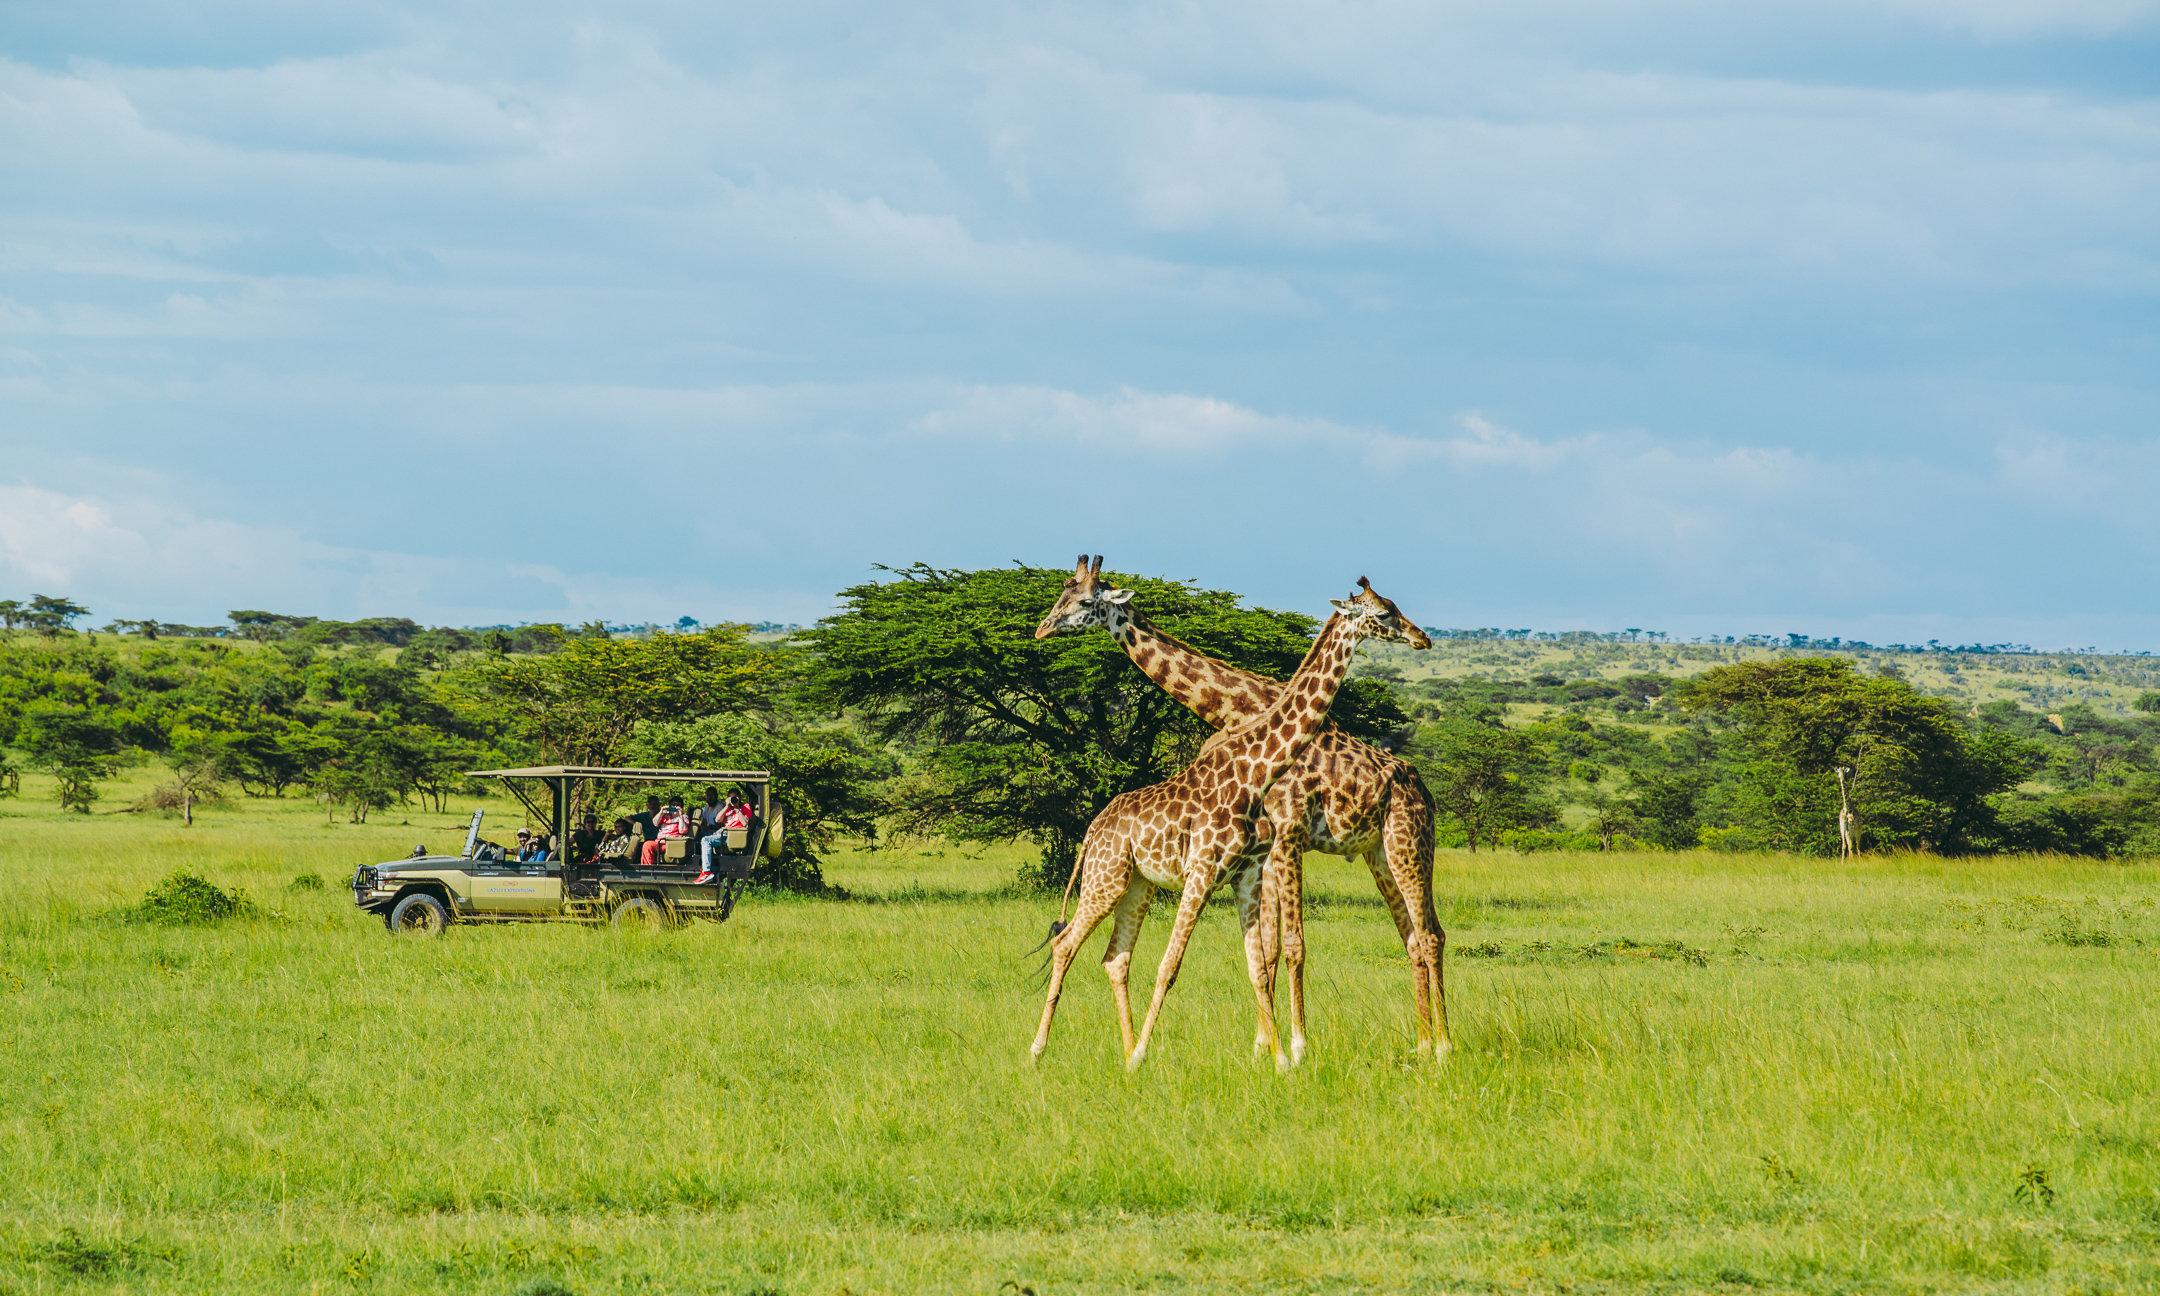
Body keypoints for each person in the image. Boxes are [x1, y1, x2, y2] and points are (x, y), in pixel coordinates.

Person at [695, 790, 756, 883]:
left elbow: (745, 824)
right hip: (722, 832)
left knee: (705, 840)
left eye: (735, 797)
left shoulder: (745, 807)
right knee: (699, 834)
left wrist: (737, 809)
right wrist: (727, 806)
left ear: (740, 798)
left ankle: (706, 872)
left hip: (732, 835)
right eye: (731, 797)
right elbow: (717, 820)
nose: (733, 799)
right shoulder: (728, 808)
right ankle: (701, 863)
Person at [639, 798, 689, 867]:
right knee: (647, 844)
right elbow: (655, 823)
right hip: (660, 842)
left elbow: (683, 831)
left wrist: (680, 815)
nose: (675, 806)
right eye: (673, 805)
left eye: (677, 805)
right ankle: (648, 867)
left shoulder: (683, 817)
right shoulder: (665, 815)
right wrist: (661, 812)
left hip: (672, 843)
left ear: (681, 807)